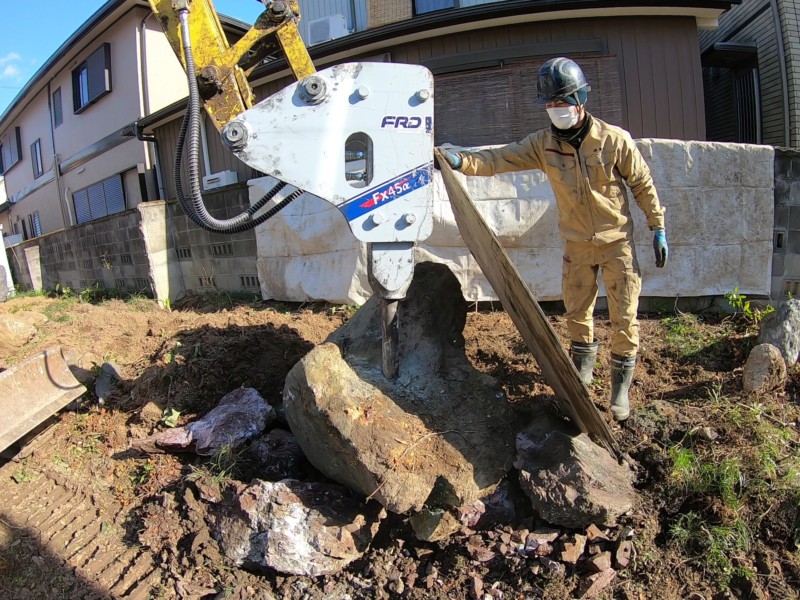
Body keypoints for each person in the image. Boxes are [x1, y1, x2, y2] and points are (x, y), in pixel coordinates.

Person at [436, 56, 668, 421]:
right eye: (550, 103)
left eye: (562, 101)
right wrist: (461, 161)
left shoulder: (613, 140)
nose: (556, 109)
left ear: (580, 99)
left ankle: (620, 391)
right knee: (577, 313)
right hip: (577, 245)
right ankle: (582, 377)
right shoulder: (543, 145)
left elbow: (642, 183)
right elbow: (499, 158)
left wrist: (658, 227)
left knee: (624, 317)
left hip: (616, 244)